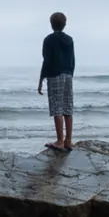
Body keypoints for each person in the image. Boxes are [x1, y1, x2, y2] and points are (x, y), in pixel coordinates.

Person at [37, 11, 75, 152]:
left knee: (56, 107)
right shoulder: (69, 39)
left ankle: (60, 140)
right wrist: (71, 73)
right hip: (68, 74)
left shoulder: (49, 40)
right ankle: (68, 140)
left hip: (55, 74)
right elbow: (72, 59)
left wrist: (41, 79)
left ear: (51, 24)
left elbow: (47, 61)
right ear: (64, 24)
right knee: (67, 107)